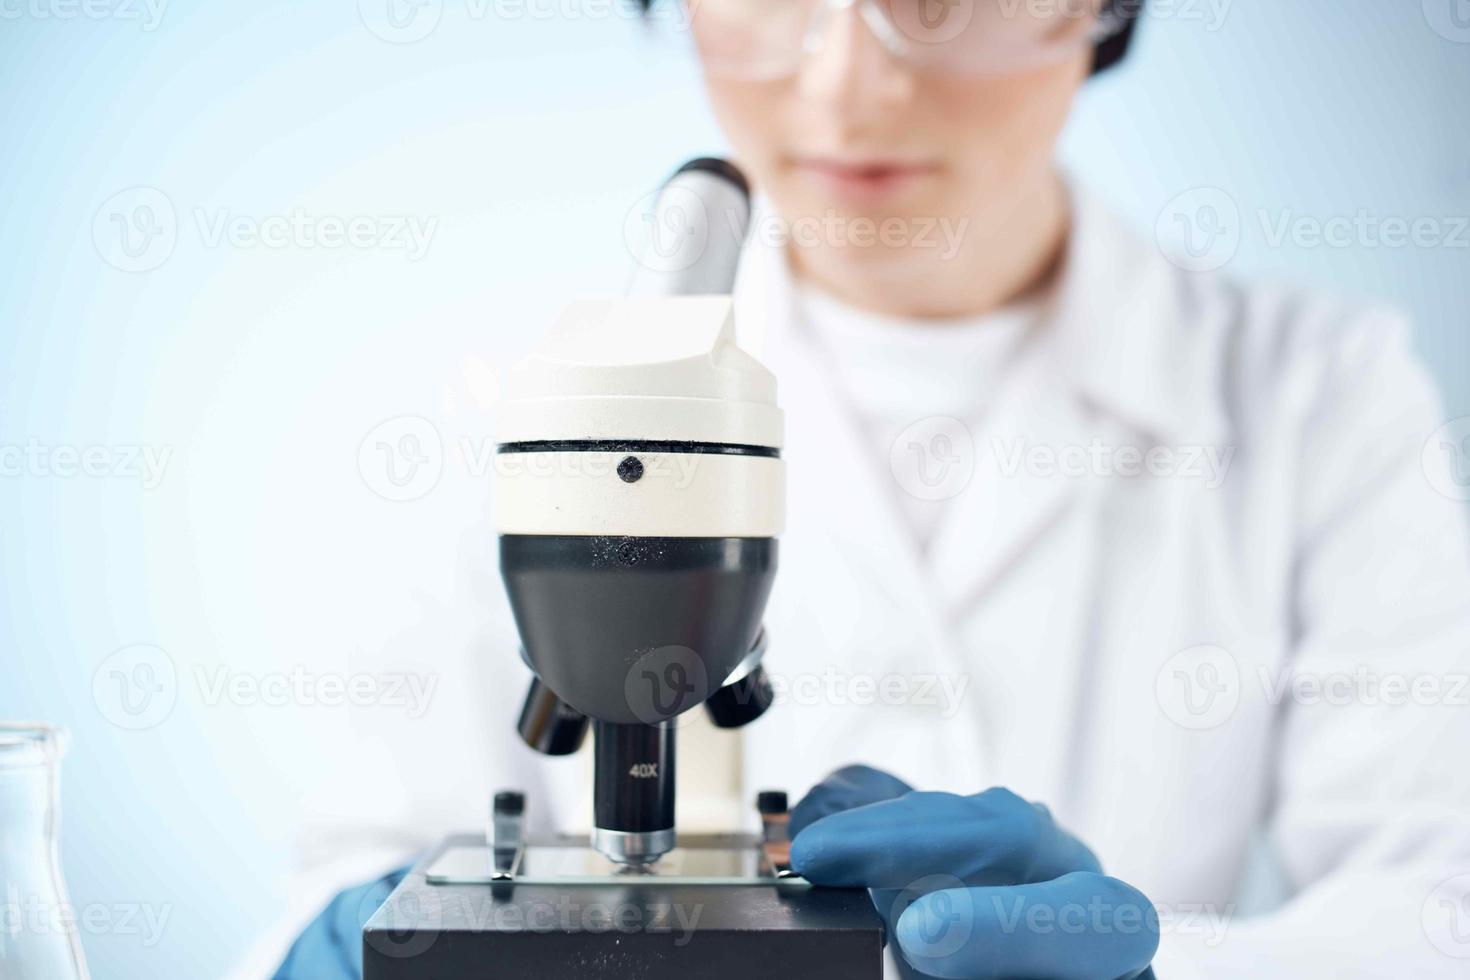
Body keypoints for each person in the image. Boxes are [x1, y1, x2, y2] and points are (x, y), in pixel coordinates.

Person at [263, 0, 1470, 977]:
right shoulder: (528, 405)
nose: (845, 80)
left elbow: (1438, 904)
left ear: (1100, 12)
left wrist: (1163, 971)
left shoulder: (1316, 394)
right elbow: (341, 897)